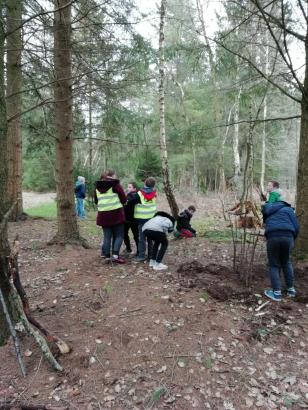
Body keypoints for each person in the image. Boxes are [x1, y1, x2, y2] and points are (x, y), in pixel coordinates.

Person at [262, 200, 299, 301]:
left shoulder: (267, 211)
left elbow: (266, 226)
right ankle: (291, 290)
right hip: (288, 237)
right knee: (286, 262)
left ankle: (277, 293)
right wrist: (292, 239)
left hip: (272, 237)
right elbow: (296, 226)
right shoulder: (288, 209)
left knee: (273, 264)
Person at [94, 170, 126, 264]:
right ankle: (115, 255)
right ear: (111, 176)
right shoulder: (115, 185)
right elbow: (124, 199)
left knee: (107, 236)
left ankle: (107, 256)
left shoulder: (97, 187)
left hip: (103, 215)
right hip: (116, 214)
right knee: (119, 235)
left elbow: (96, 201)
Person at [128, 177, 157, 262]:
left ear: (145, 183)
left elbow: (131, 202)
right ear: (153, 185)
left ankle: (141, 256)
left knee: (142, 238)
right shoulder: (154, 193)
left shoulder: (139, 194)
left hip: (141, 219)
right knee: (150, 237)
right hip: (151, 218)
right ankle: (151, 255)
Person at [123, 182, 139, 255]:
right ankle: (137, 250)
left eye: (130, 187)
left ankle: (129, 249)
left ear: (134, 189)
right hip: (134, 219)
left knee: (126, 234)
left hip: (129, 219)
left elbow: (125, 207)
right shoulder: (139, 196)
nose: (128, 188)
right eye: (128, 187)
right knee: (135, 235)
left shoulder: (129, 197)